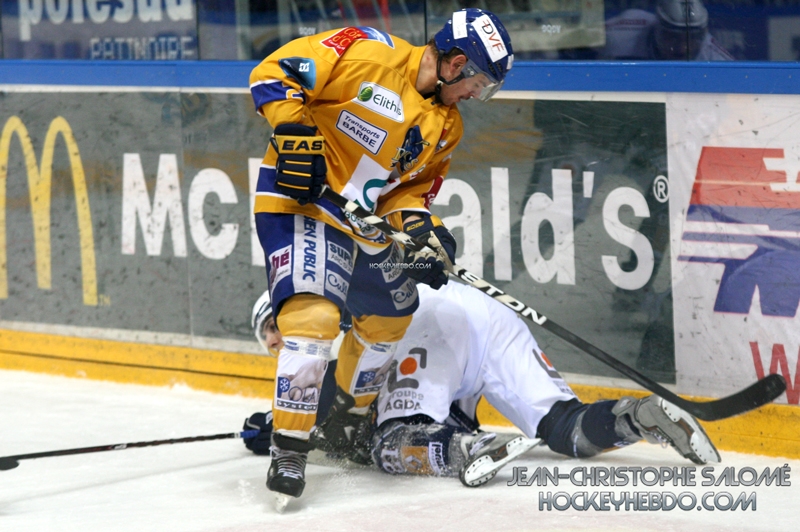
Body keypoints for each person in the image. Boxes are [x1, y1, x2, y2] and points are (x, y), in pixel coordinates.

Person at [249, 8, 514, 504]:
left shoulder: (447, 126)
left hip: (361, 222)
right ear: (456, 63)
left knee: (392, 316)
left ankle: (345, 418)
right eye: (478, 83)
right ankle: (290, 448)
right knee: (315, 317)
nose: (475, 94)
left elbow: (406, 192)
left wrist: (422, 231)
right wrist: (293, 132)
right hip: (302, 201)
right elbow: (273, 72)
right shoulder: (367, 51)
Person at [244, 282, 721, 489]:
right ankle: (638, 417)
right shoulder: (332, 317)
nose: (276, 341)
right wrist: (275, 424)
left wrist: (272, 428)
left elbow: (322, 407)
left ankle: (468, 450)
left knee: (391, 443)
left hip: (428, 319)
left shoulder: (320, 325)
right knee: (566, 429)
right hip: (482, 315)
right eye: (267, 340)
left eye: (273, 325)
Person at [599, 0, 733, 61]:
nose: (683, 48)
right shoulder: (619, 33)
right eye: (673, 37)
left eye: (693, 38)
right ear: (657, 28)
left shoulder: (715, 59)